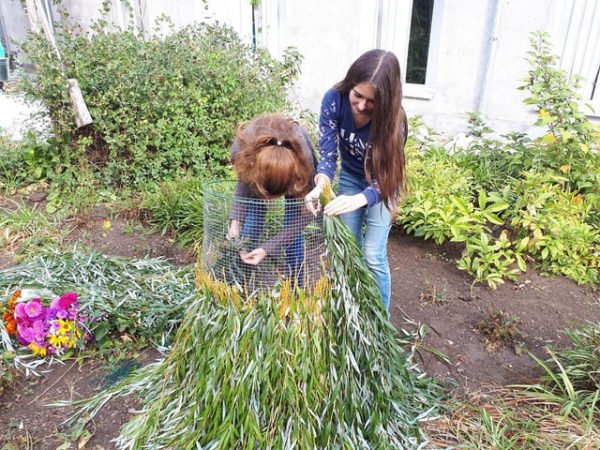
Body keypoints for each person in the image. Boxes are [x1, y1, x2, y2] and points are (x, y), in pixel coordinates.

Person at [305, 49, 408, 312]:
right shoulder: (334, 100)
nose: (361, 106)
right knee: (349, 249)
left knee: (373, 254)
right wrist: (321, 184)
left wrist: (361, 199)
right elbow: (328, 156)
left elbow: (388, 176)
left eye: (371, 101)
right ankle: (354, 311)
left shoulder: (395, 121)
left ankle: (379, 321)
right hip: (351, 177)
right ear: (350, 84)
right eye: (357, 95)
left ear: (386, 100)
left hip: (383, 184)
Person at [227, 113, 317, 280]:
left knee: (292, 226)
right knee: (253, 218)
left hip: (295, 171)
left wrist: (267, 248)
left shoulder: (304, 166)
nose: (267, 201)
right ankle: (242, 277)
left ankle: (295, 286)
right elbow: (243, 180)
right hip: (257, 163)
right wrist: (235, 221)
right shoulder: (241, 148)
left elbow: (306, 215)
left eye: (272, 196)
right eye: (265, 195)